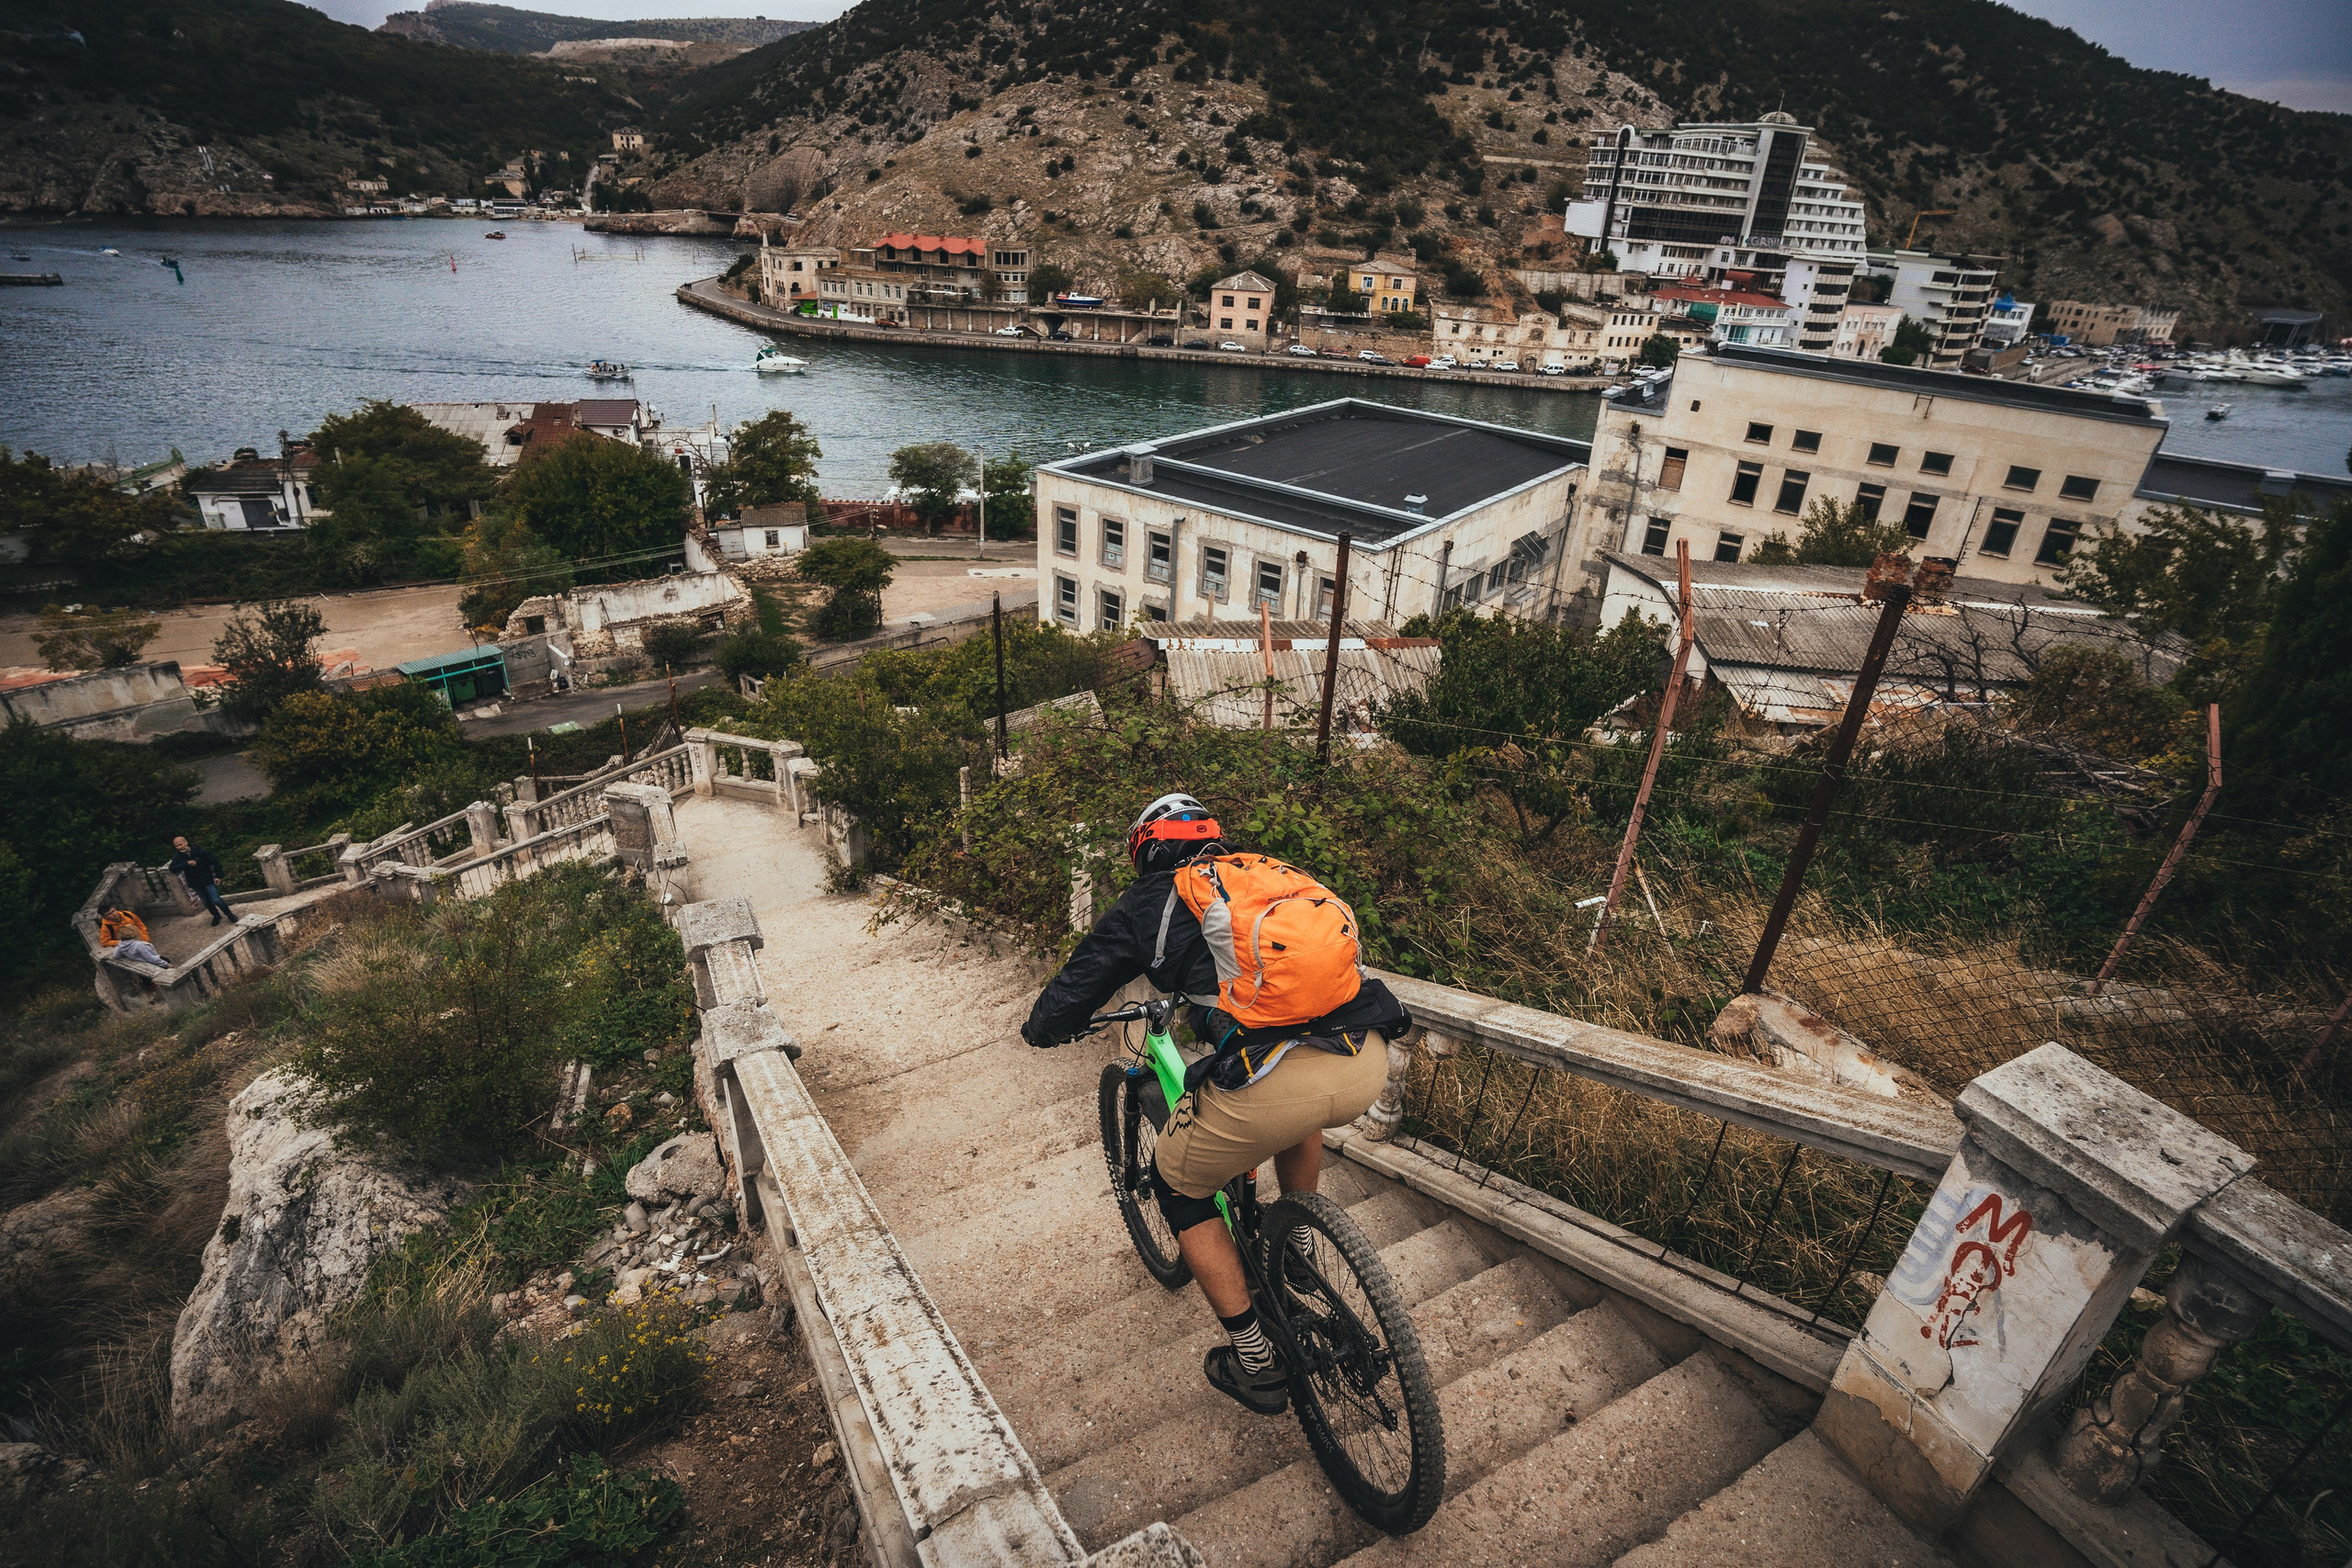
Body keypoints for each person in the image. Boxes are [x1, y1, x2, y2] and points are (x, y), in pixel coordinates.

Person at [1022, 793, 1410, 1416]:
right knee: (1296, 1110)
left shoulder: (1151, 901)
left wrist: (1041, 1027)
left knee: (1178, 1184)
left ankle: (1255, 1361)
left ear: (1147, 849)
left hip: (1279, 1079)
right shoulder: (1266, 872)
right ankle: (1298, 1246)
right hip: (1366, 1058)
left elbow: (1069, 994)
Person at [168, 835, 232, 925]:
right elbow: (172, 869)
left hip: (207, 880)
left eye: (180, 844)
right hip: (195, 883)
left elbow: (215, 862)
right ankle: (216, 916)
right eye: (177, 846)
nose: (179, 847)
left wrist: (219, 876)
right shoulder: (178, 857)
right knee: (206, 902)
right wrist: (187, 863)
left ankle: (229, 914)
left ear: (186, 842)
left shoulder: (199, 852)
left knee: (216, 899)